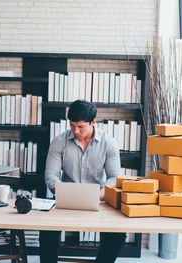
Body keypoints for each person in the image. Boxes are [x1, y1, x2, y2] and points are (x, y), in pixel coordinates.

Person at [40, 100, 126, 263]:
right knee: (46, 231)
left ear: (93, 122)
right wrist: (63, 193)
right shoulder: (60, 141)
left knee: (118, 234)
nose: (75, 131)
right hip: (64, 202)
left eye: (80, 126)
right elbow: (50, 176)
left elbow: (114, 178)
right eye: (72, 126)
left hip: (97, 202)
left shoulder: (109, 143)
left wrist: (98, 195)